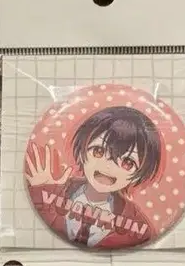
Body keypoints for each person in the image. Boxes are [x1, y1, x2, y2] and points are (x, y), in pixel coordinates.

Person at [27, 105, 162, 249]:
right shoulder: (56, 193)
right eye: (98, 151)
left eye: (127, 163)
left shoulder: (137, 226)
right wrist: (43, 192)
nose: (108, 166)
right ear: (81, 153)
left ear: (137, 175)